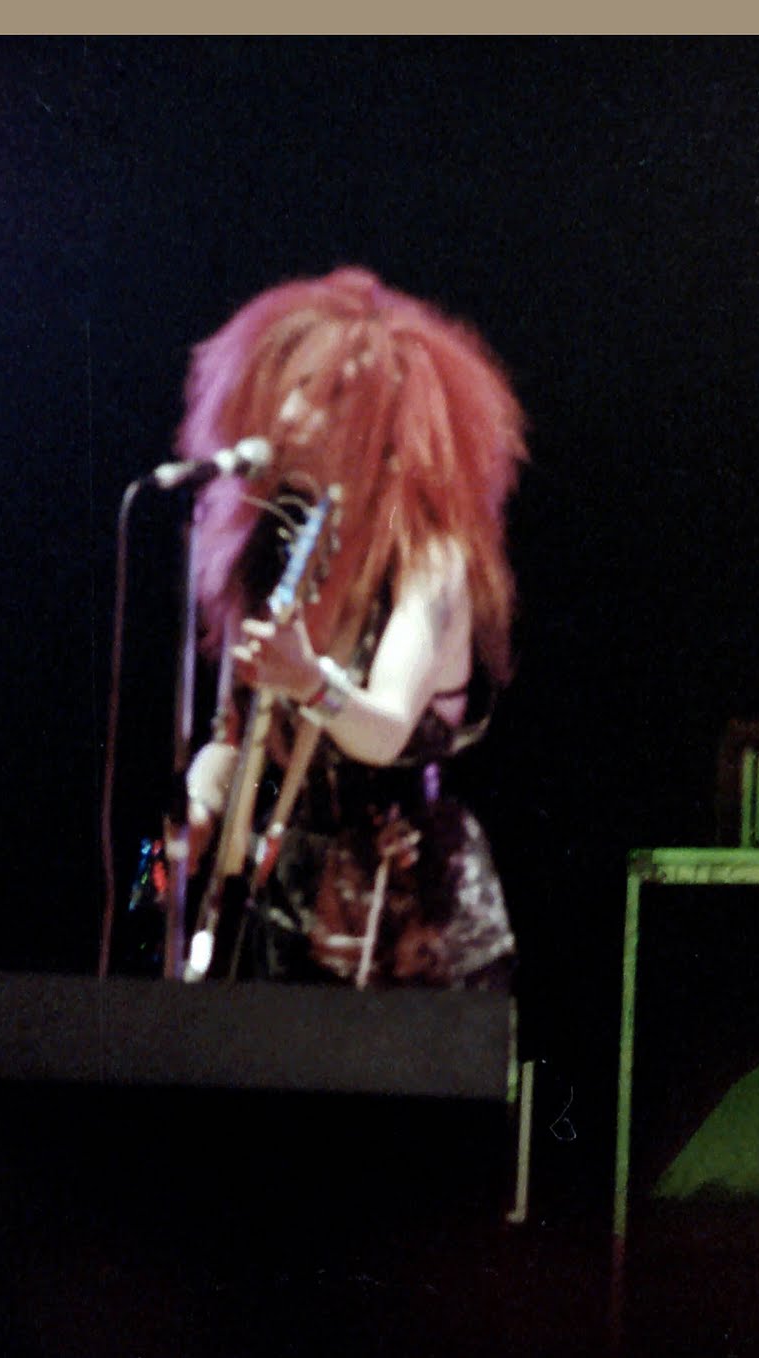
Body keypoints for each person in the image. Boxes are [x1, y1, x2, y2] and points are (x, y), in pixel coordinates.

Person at [179, 267, 524, 987]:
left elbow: (386, 727)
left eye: (324, 394)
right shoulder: (271, 553)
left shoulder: (429, 559)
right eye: (290, 387)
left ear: (379, 421)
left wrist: (309, 680)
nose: (289, 414)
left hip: (411, 914)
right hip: (291, 906)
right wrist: (198, 805)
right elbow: (233, 739)